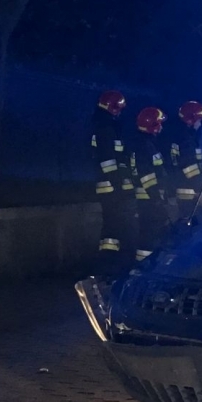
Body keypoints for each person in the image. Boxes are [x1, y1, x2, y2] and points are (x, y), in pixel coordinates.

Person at [90, 89, 136, 273]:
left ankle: (110, 263)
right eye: (118, 108)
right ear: (111, 107)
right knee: (114, 226)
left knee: (113, 227)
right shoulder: (105, 128)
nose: (119, 112)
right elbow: (108, 161)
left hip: (112, 186)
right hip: (112, 187)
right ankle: (110, 265)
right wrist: (118, 184)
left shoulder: (106, 126)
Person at [128, 106, 170, 263]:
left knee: (151, 234)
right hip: (149, 200)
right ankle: (145, 267)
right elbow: (147, 176)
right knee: (150, 235)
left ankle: (146, 265)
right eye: (159, 123)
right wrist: (156, 198)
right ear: (152, 125)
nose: (161, 127)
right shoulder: (144, 146)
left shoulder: (144, 143)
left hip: (148, 199)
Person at [168, 100, 202, 214]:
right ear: (191, 120)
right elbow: (190, 167)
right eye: (199, 120)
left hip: (184, 189)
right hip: (190, 192)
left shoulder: (181, 136)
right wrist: (198, 192)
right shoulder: (187, 140)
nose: (200, 124)